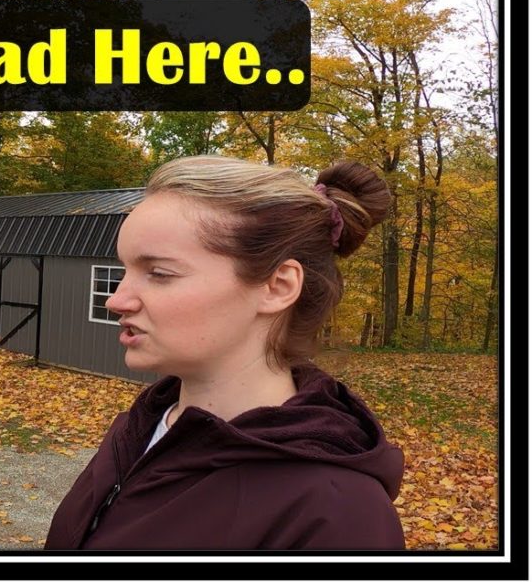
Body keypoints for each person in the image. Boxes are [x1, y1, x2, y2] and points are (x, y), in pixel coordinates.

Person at [46, 155, 405, 550]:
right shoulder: (139, 429)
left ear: (277, 287)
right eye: (125, 270)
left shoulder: (337, 515)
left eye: (159, 274)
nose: (116, 300)